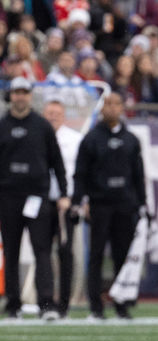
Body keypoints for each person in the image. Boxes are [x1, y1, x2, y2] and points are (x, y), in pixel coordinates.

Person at [72, 92, 147, 320]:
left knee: (122, 255)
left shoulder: (131, 139)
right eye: (108, 104)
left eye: (116, 104)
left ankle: (122, 304)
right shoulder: (91, 138)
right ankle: (96, 306)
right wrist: (79, 201)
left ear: (122, 107)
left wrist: (142, 204)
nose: (112, 108)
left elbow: (138, 175)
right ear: (102, 108)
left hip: (125, 205)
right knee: (96, 255)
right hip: (100, 204)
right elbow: (81, 173)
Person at [0, 77, 70, 320]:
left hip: (37, 197)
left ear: (30, 95)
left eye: (24, 92)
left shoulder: (42, 126)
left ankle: (46, 303)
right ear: (11, 95)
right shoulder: (2, 125)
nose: (20, 97)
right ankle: (13, 304)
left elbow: (57, 163)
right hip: (8, 197)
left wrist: (63, 193)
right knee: (11, 252)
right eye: (17, 92)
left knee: (42, 250)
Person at [43, 97, 83, 318]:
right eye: (50, 113)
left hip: (65, 203)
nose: (53, 117)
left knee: (66, 252)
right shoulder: (38, 136)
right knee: (42, 253)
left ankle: (65, 302)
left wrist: (74, 199)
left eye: (57, 114)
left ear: (64, 116)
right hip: (41, 201)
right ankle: (46, 302)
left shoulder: (74, 139)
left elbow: (81, 172)